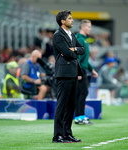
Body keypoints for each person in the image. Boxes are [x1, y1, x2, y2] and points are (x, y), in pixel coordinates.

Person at [52, 10, 85, 143]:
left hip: (73, 73)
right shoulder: (58, 35)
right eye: (70, 18)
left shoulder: (71, 34)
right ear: (62, 21)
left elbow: (82, 49)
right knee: (62, 105)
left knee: (71, 104)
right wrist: (73, 51)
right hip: (64, 74)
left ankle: (67, 133)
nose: (73, 20)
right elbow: (67, 53)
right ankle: (58, 135)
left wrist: (74, 50)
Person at [74, 19, 98, 125]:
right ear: (82, 27)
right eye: (88, 27)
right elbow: (77, 58)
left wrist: (92, 70)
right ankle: (80, 117)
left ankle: (80, 117)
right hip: (79, 70)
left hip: (83, 69)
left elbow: (85, 60)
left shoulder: (84, 40)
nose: (90, 29)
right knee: (83, 92)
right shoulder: (79, 39)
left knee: (81, 93)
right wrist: (78, 72)